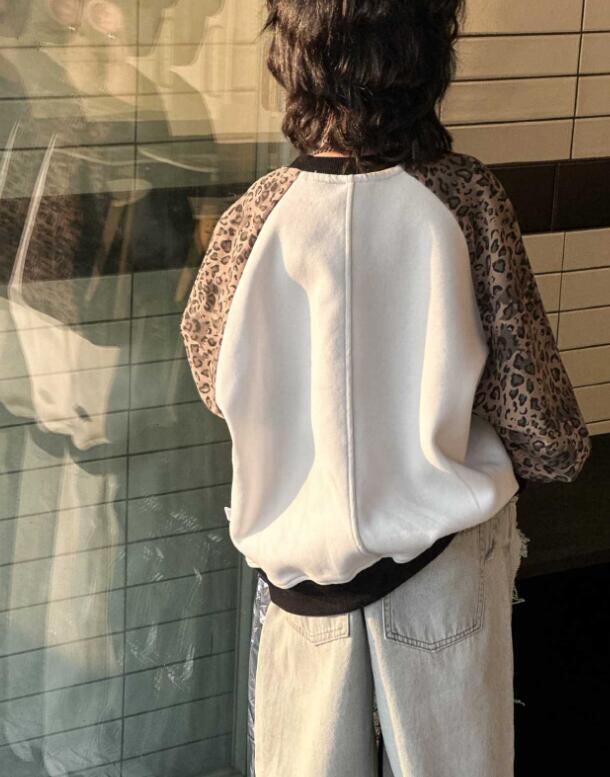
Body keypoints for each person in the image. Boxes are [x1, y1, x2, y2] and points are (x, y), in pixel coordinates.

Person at [180, 1, 592, 775]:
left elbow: (212, 374)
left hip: (301, 588)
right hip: (439, 576)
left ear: (292, 56)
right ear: (425, 53)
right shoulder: (465, 199)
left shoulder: (253, 215)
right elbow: (548, 432)